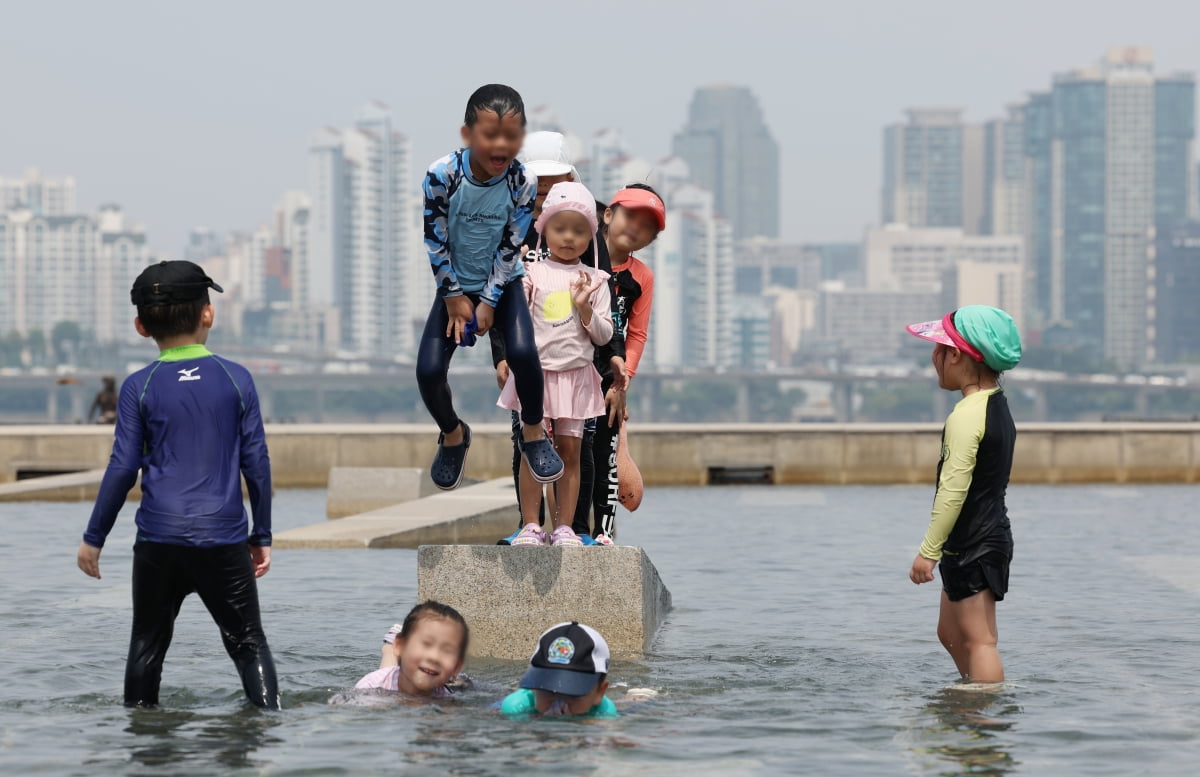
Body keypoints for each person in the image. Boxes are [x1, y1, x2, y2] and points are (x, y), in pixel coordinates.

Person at [75, 260, 279, 709]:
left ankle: (144, 744)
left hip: (157, 540)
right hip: (222, 537)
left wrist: (94, 538)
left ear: (140, 326)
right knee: (248, 643)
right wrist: (260, 534)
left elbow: (122, 467)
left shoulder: (139, 386)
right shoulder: (236, 378)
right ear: (209, 313)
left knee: (147, 644)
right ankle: (268, 727)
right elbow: (257, 464)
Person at [418, 84, 563, 491]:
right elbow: (435, 240)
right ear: (468, 134)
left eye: (512, 136)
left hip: (503, 282)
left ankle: (533, 430)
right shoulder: (442, 174)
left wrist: (487, 301)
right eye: (490, 135)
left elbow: (510, 244)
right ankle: (453, 434)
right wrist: (453, 298)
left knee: (521, 352)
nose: (501, 145)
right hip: (453, 287)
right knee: (429, 371)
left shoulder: (523, 181)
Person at [493, 131, 627, 545]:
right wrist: (502, 354)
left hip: (581, 363)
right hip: (531, 361)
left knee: (580, 447)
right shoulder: (509, 226)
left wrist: (615, 367)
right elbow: (503, 301)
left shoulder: (592, 230)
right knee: (528, 442)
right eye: (537, 183)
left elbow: (610, 305)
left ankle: (575, 528)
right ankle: (529, 524)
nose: (545, 190)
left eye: (555, 181)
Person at [905, 305, 1023, 685]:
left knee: (979, 640)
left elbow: (952, 491)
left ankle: (985, 718)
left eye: (938, 348)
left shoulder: (966, 415)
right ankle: (972, 697)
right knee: (952, 634)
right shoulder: (994, 404)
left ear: (955, 355)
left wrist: (928, 550)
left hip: (974, 540)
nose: (933, 357)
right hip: (980, 537)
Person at [586, 184, 663, 542]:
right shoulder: (579, 256)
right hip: (569, 368)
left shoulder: (642, 277)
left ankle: (603, 536)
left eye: (647, 226)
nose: (636, 228)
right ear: (607, 214)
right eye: (630, 215)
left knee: (606, 457)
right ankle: (562, 529)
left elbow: (637, 335)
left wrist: (622, 382)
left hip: (610, 379)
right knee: (568, 453)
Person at [499, 621, 618, 719]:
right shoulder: (515, 708)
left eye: (573, 693)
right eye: (548, 689)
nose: (559, 704)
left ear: (600, 692)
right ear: (534, 687)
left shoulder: (605, 712)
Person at [357, 601, 470, 698]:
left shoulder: (447, 700)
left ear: (457, 667)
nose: (434, 657)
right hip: (390, 681)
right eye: (426, 644)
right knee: (390, 668)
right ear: (400, 645)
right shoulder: (370, 689)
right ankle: (389, 648)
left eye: (446, 651)